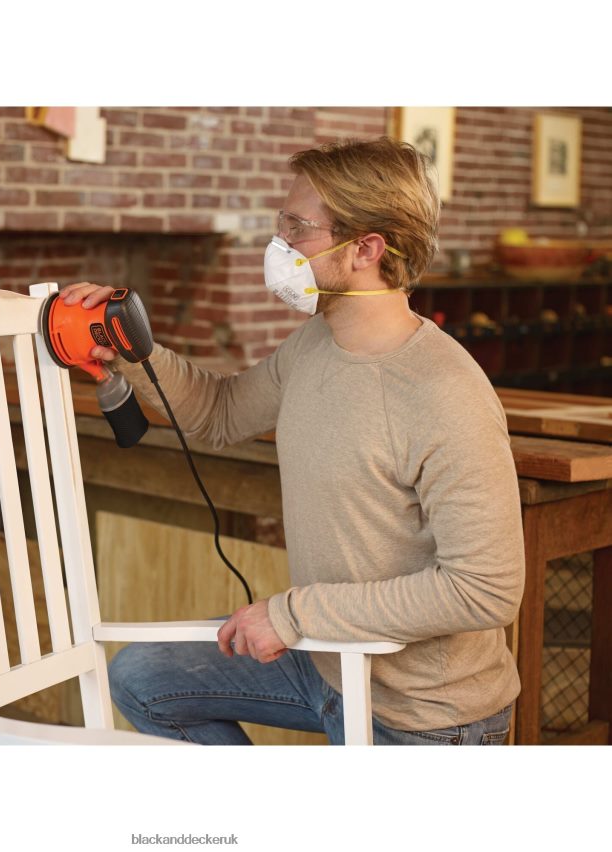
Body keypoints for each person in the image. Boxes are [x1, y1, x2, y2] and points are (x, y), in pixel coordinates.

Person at [58, 136, 525, 745]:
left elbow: (485, 591)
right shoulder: (315, 343)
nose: (278, 245)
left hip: (422, 713)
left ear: (366, 249)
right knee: (143, 677)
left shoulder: (443, 392)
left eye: (297, 228)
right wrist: (129, 344)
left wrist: (291, 615)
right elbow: (221, 412)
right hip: (327, 660)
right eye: (282, 223)